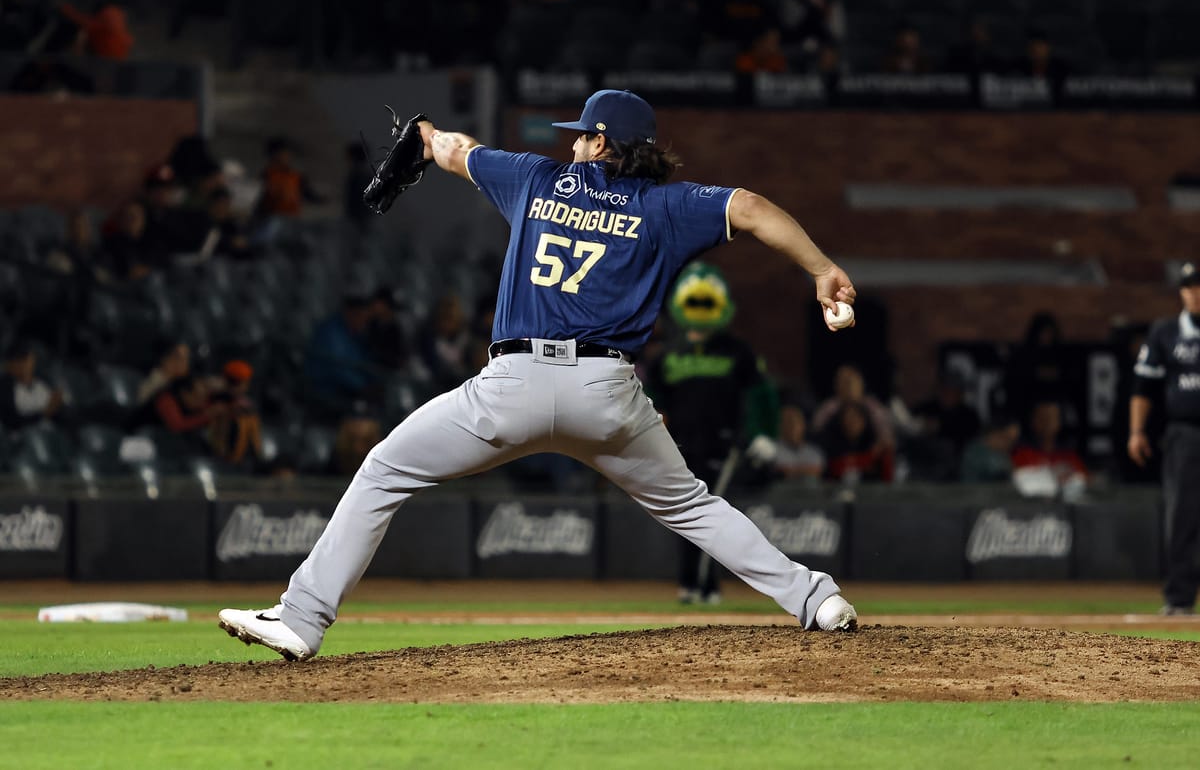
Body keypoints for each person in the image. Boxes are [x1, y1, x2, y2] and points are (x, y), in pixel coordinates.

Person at [219, 88, 860, 661]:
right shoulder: (666, 207)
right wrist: (821, 268)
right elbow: (748, 207)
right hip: (607, 395)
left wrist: (423, 135)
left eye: (580, 132)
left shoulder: (535, 178)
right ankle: (816, 599)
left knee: (384, 469)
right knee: (691, 505)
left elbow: (455, 149)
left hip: (514, 386)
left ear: (600, 141)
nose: (572, 140)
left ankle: (303, 619)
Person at [644, 261, 778, 604]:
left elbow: (762, 394)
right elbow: (649, 400)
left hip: (723, 444)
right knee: (686, 516)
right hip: (678, 446)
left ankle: (704, 587)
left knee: (713, 514)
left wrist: (764, 434)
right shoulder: (668, 356)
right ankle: (693, 584)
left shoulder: (737, 351)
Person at [1129, 261, 1200, 616]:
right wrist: (1137, 431)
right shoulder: (1165, 331)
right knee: (1182, 515)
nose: (1195, 291)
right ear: (1182, 291)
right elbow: (1143, 386)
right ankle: (1179, 599)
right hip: (1184, 433)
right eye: (1190, 286)